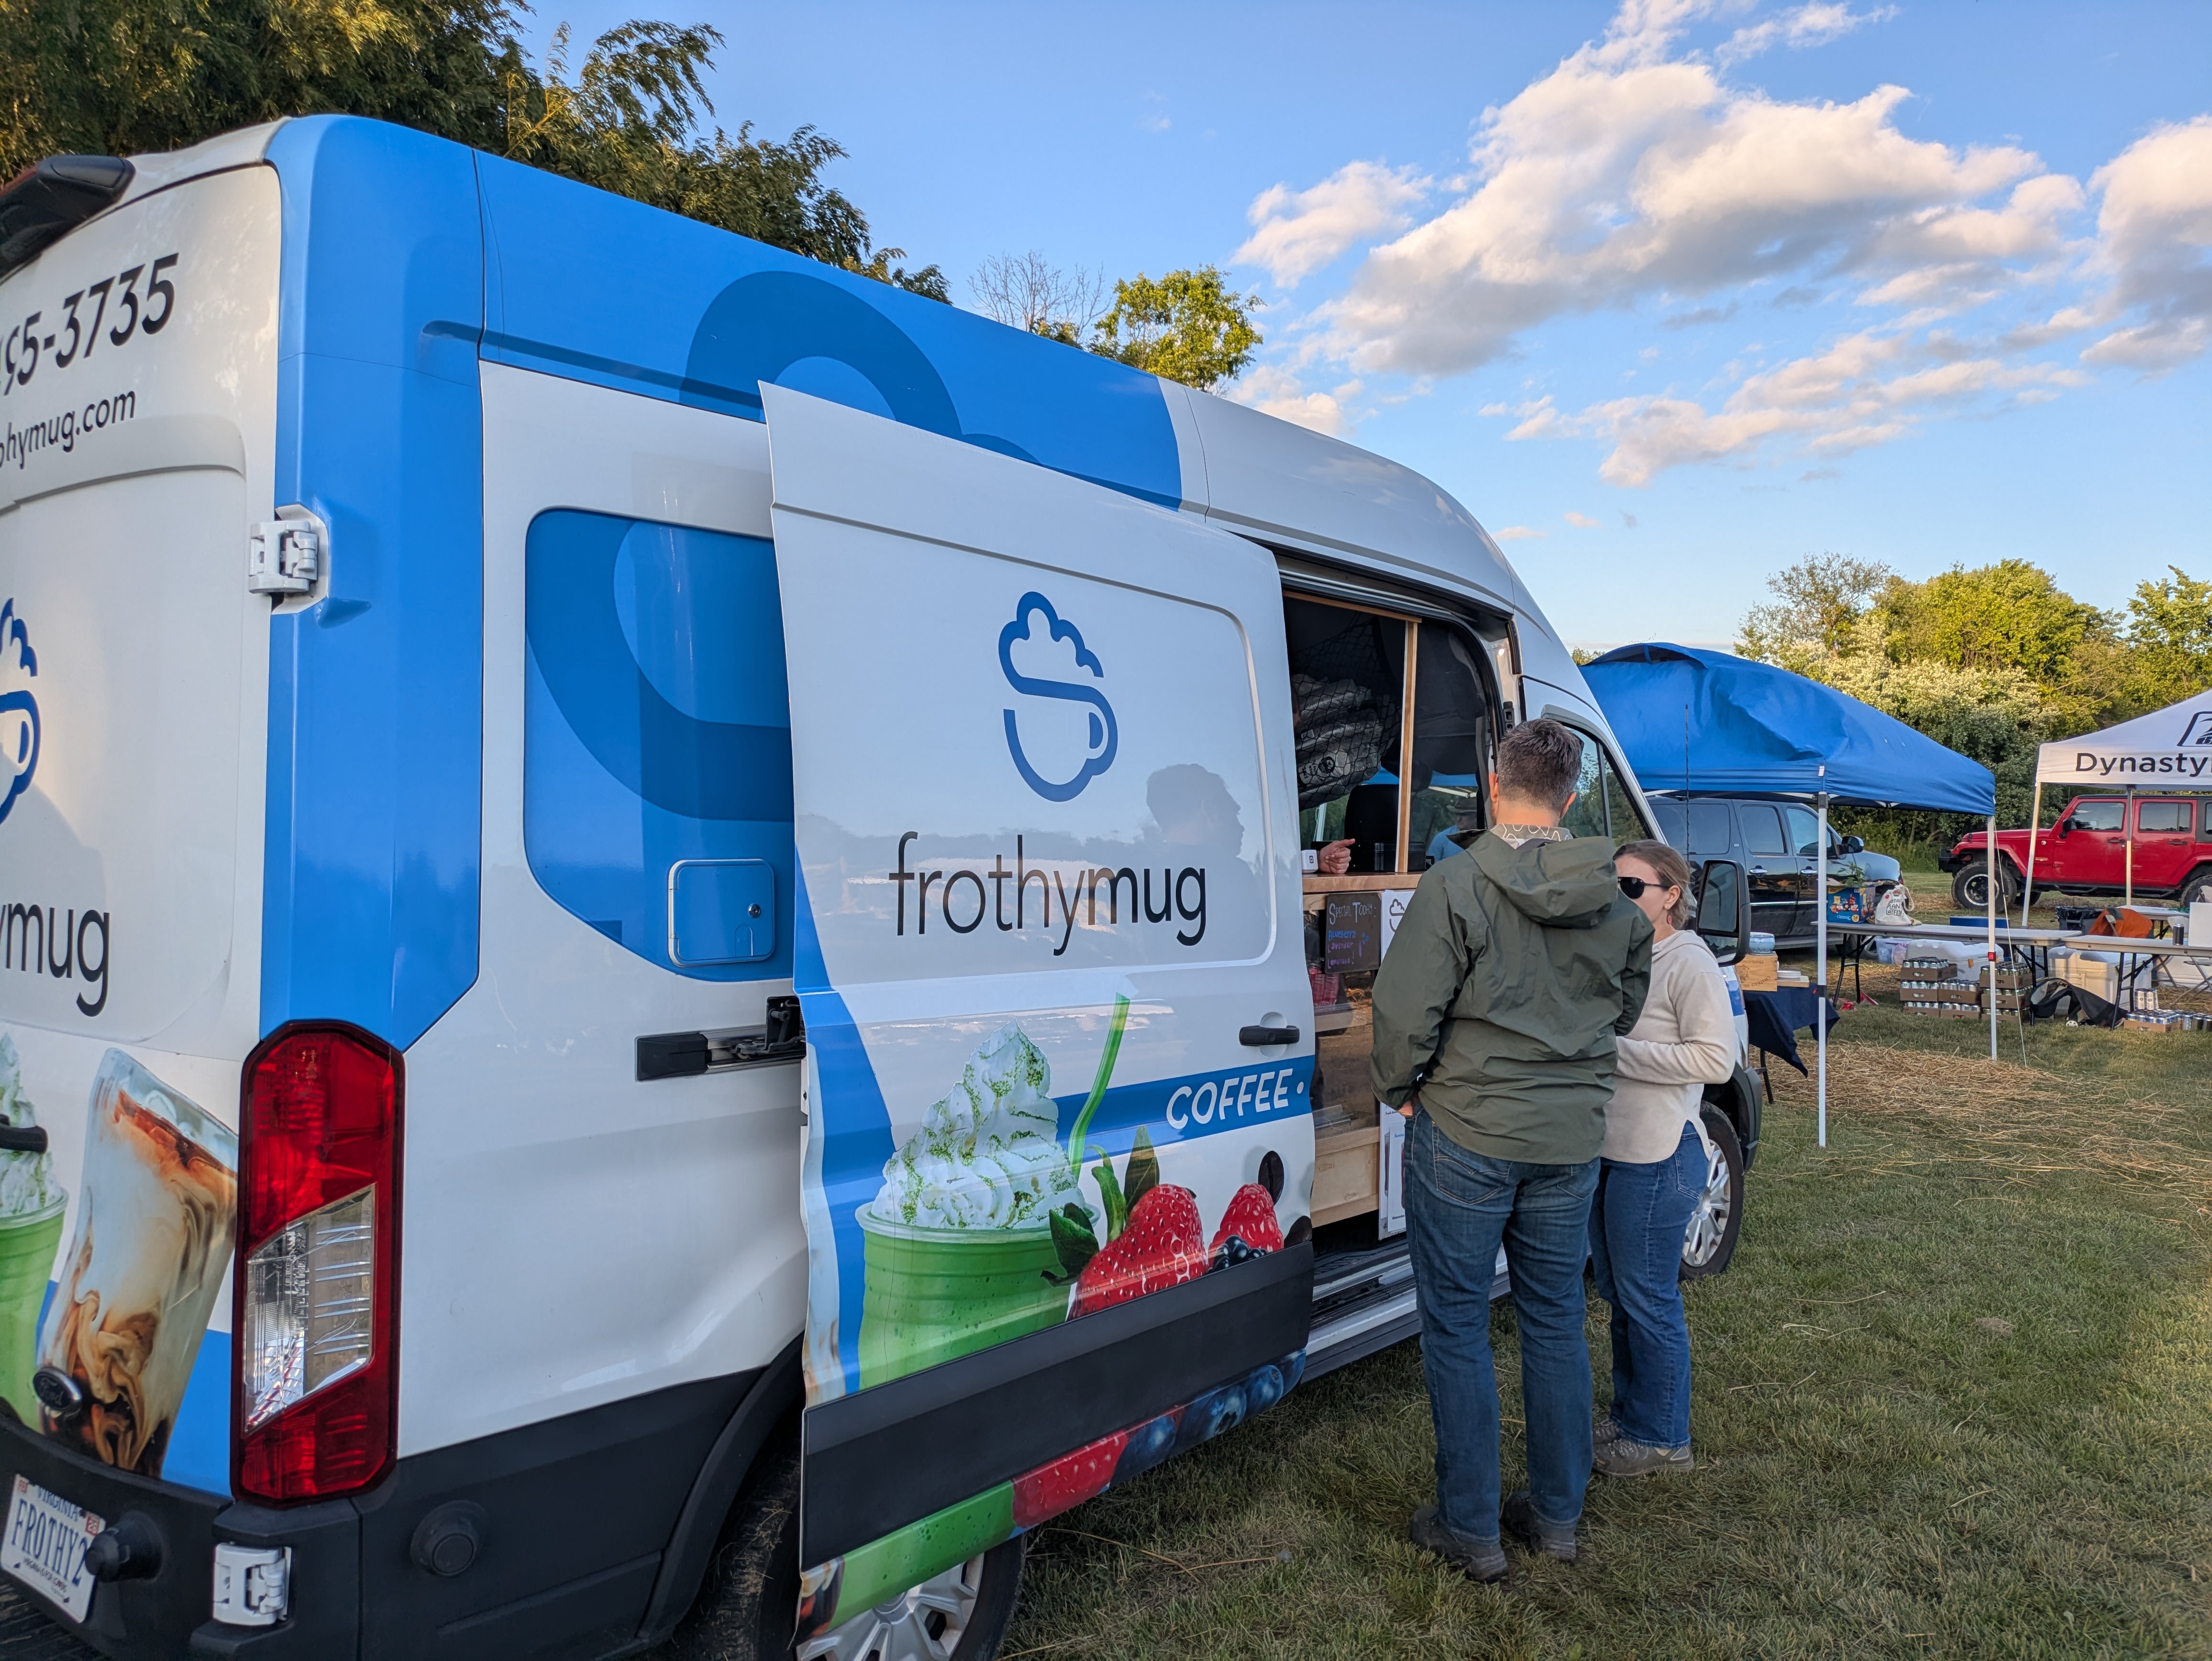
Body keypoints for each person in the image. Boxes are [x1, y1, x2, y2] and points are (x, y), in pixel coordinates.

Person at [1369, 719, 1652, 1581]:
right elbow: (1626, 1009)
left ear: (1493, 789)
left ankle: (1472, 1529)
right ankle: (1558, 1518)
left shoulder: (1454, 883)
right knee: (1556, 1321)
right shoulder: (1618, 897)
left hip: (1467, 1129)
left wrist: (1402, 1088)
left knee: (1457, 1328)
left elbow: (1402, 1010)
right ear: (1570, 797)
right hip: (1569, 1138)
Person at [1591, 839, 1737, 1478]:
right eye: (1611, 886)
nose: (1618, 898)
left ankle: (1663, 1438)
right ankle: (1632, 1418)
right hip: (1611, 1151)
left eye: (1632, 887)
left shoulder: (1688, 961)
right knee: (1623, 1296)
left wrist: (1619, 1053)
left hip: (1657, 1154)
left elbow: (1717, 1060)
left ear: (1671, 895)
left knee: (1648, 1298)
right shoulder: (1623, 954)